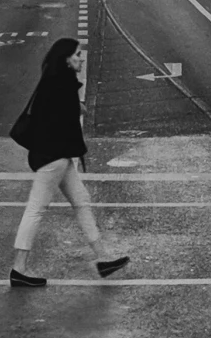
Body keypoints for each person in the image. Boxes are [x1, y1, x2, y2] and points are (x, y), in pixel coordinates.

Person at [8, 38, 129, 288]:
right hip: (54, 157)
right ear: (66, 59)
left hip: (58, 156)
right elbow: (56, 120)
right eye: (77, 55)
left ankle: (103, 258)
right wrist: (75, 109)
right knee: (36, 208)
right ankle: (19, 268)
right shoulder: (61, 85)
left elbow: (52, 114)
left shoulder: (56, 82)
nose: (81, 59)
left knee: (81, 200)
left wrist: (77, 107)